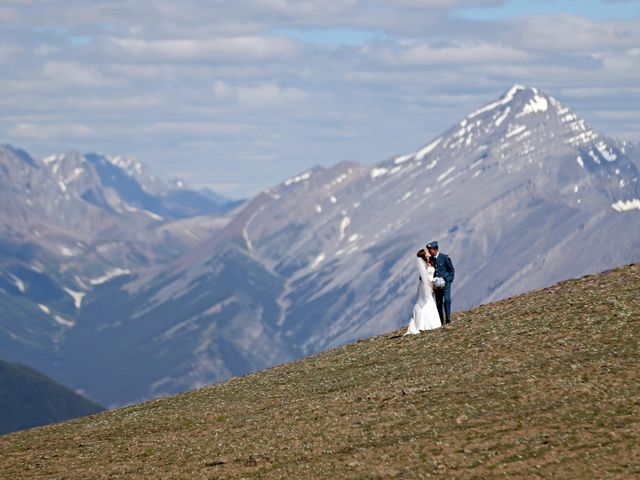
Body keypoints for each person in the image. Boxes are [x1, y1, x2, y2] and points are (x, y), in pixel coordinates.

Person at [405, 249, 442, 335]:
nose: (429, 252)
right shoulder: (422, 264)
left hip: (430, 284)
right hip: (425, 286)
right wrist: (430, 285)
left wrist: (436, 282)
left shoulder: (430, 262)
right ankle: (422, 324)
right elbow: (424, 277)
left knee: (430, 302)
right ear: (425, 255)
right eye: (427, 252)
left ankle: (430, 323)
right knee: (425, 302)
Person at [426, 241, 454, 325]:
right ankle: (440, 320)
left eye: (430, 250)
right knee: (438, 302)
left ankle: (448, 318)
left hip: (445, 282)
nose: (429, 252)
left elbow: (451, 270)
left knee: (447, 300)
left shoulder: (444, 257)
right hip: (436, 285)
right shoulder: (430, 260)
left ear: (435, 249)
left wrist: (449, 279)